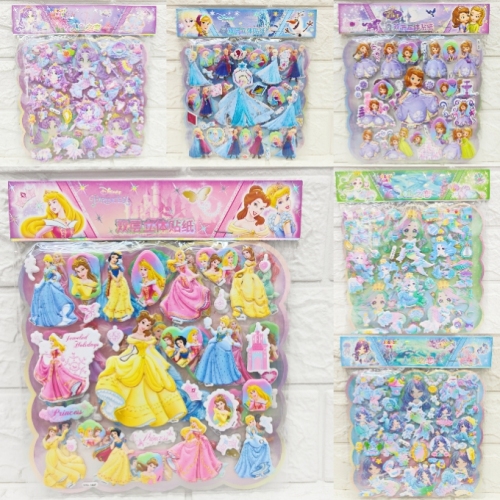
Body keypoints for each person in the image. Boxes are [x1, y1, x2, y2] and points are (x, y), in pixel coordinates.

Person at [96, 311, 187, 427]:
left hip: (148, 361)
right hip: (135, 362)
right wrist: (123, 359)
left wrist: (159, 363)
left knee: (156, 384)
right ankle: (139, 414)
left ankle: (168, 411)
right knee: (133, 385)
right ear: (139, 322)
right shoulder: (133, 337)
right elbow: (131, 351)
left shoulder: (149, 338)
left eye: (148, 325)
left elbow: (152, 351)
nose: (145, 326)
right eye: (143, 323)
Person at [166, 418, 222, 482]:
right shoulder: (192, 430)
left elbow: (201, 435)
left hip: (199, 444)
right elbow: (188, 436)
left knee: (200, 458)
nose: (193, 424)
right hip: (194, 443)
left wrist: (202, 438)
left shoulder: (200, 430)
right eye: (192, 423)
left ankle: (200, 471)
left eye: (194, 422)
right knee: (188, 452)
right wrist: (187, 439)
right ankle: (177, 458)